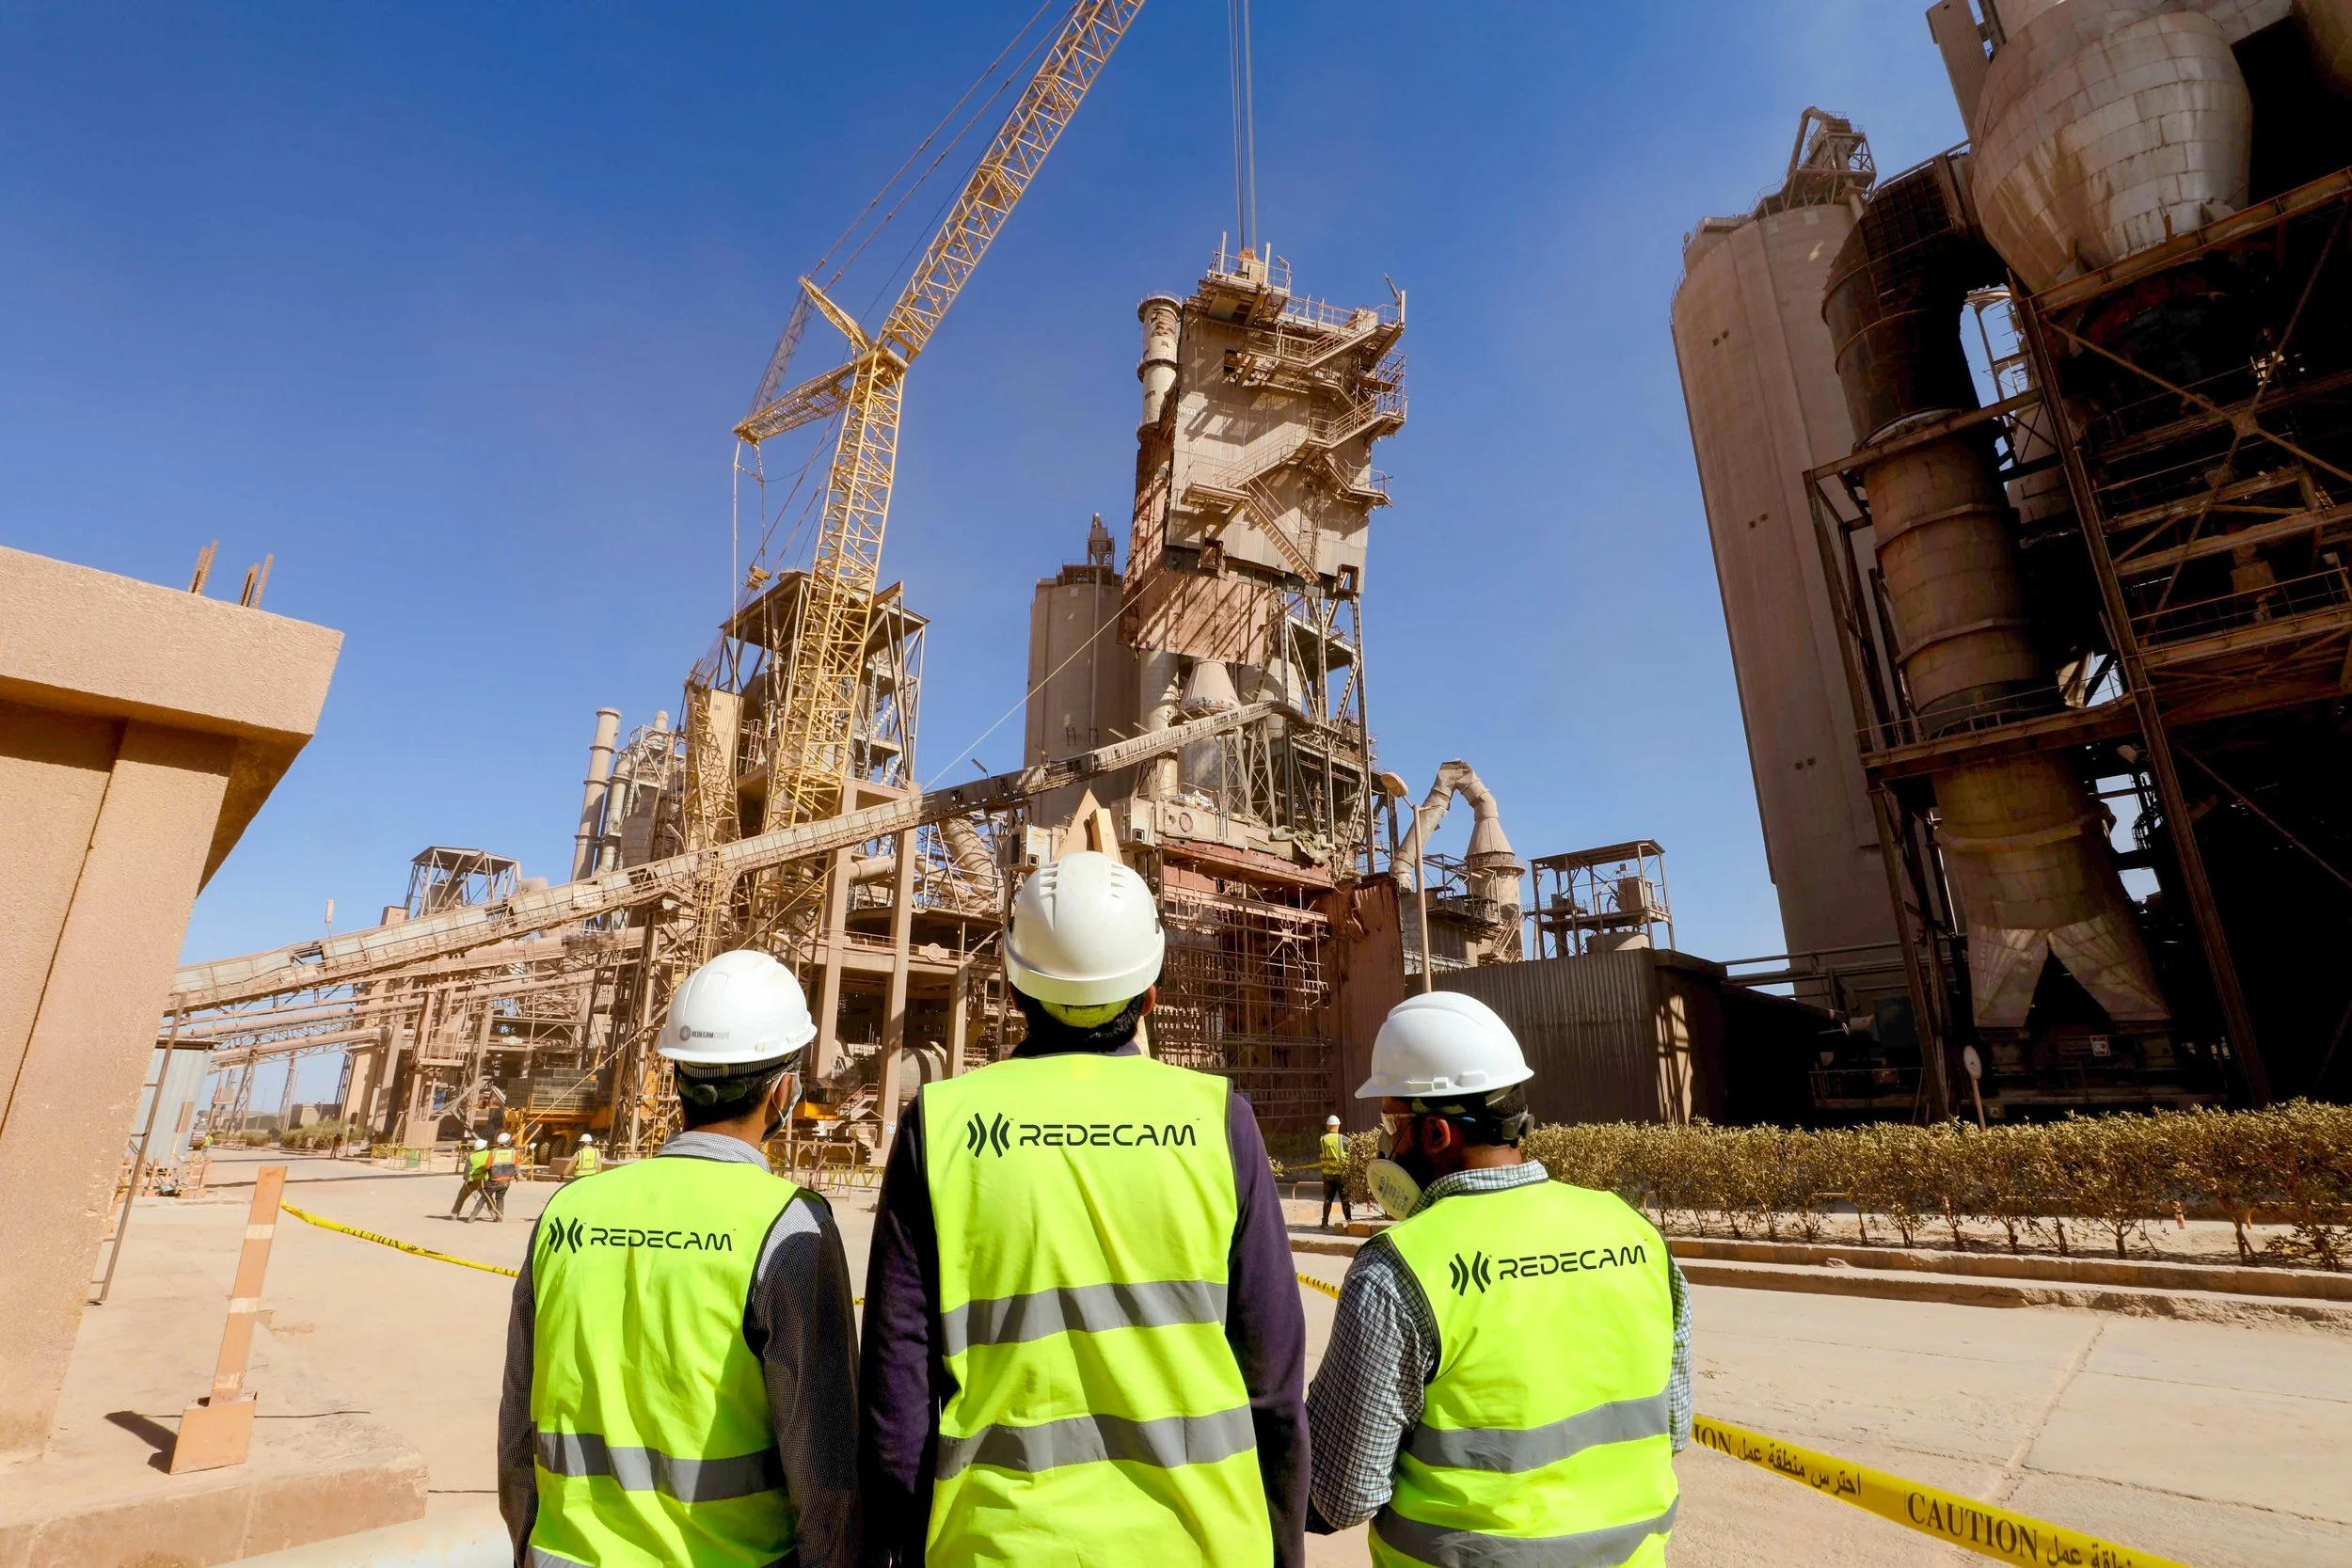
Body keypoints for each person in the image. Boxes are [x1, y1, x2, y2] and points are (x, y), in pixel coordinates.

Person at [859, 849, 1308, 1567]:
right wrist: (1283, 1549)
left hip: (999, 1546)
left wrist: (901, 1546)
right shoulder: (1219, 1121)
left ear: (1014, 989)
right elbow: (1273, 1384)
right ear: (1151, 993)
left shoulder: (941, 1124)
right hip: (1205, 1545)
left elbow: (897, 1392)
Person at [498, 948, 858, 1568]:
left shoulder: (568, 1211)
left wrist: (529, 1549)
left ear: (678, 1077)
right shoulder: (788, 1225)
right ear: (783, 1090)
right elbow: (823, 1468)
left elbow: (516, 1433)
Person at [1305, 991, 1691, 1566]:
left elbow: (1341, 1495)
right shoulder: (1635, 1234)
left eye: (1391, 1123)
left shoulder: (1398, 1269)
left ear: (1435, 1134)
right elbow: (1673, 1428)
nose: (1385, 1144)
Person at [470, 1132, 518, 1221]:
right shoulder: (513, 1152)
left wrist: (482, 1170)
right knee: (500, 1198)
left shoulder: (493, 1152)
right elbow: (516, 1167)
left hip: (494, 1181)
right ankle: (499, 1217)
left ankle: (472, 1216)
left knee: (484, 1197)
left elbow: (487, 1166)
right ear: (508, 1142)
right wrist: (517, 1175)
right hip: (506, 1181)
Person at [1319, 1114, 1354, 1230]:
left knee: (1328, 1199)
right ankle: (1348, 1221)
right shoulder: (1343, 1139)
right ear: (1338, 1126)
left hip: (1327, 1174)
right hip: (1341, 1174)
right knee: (1344, 1199)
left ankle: (1324, 1223)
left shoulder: (1322, 1139)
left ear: (1328, 1126)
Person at [451, 1136, 489, 1219]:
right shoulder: (490, 1154)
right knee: (488, 1198)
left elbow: (467, 1170)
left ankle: (454, 1214)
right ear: (485, 1147)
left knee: (461, 1197)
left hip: (471, 1181)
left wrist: (466, 1179)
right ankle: (495, 1214)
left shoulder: (472, 1156)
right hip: (484, 1180)